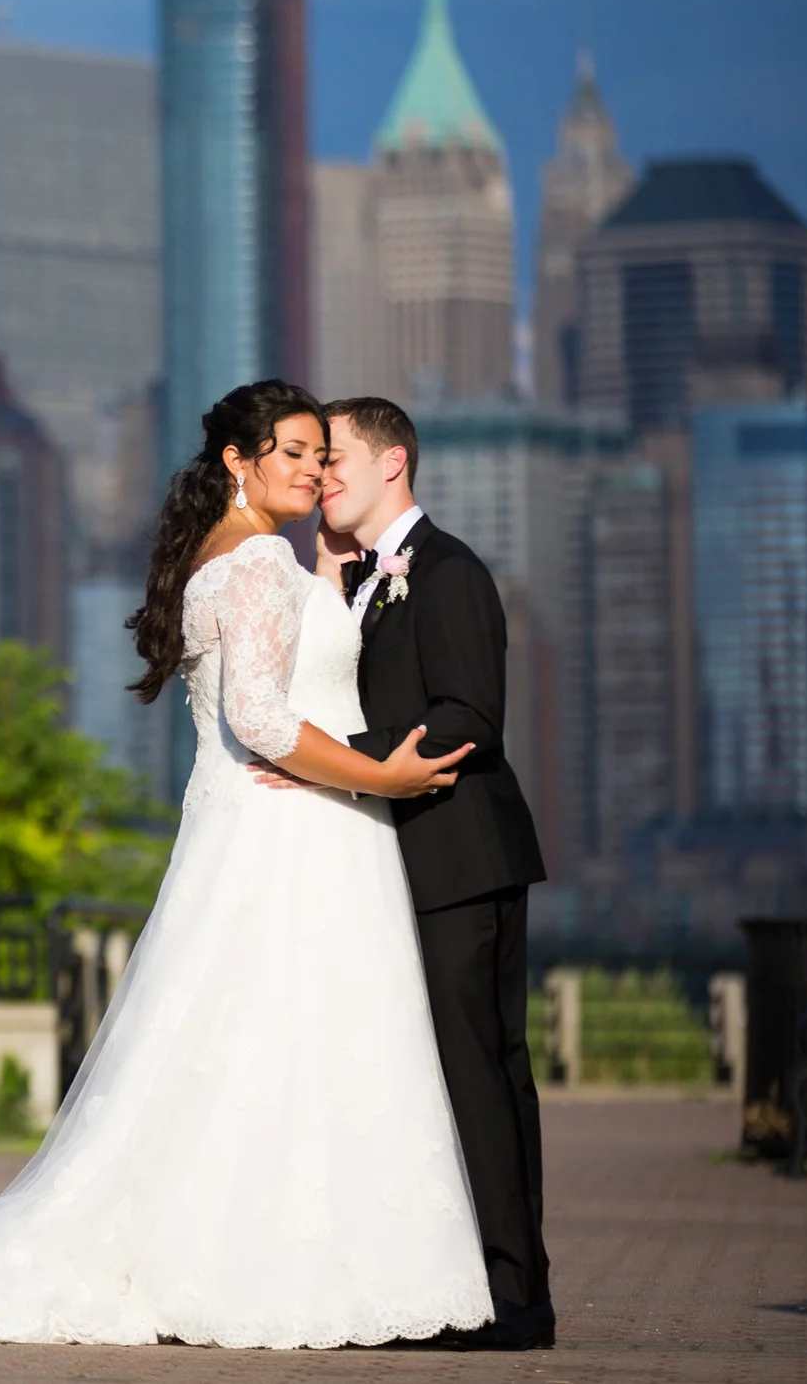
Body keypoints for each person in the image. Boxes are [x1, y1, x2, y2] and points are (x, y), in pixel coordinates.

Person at [0, 380, 489, 1348]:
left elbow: (292, 674)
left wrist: (325, 569)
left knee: (263, 1044)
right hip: (293, 833)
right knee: (288, 1038)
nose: (310, 468)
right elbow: (260, 714)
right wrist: (383, 773)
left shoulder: (254, 557)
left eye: (317, 453)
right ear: (238, 464)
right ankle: (269, 1265)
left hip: (264, 825)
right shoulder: (250, 563)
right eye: (289, 451)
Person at [297, 396, 554, 1351]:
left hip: (461, 854)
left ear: (393, 461)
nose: (323, 476)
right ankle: (460, 1283)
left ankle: (516, 1297)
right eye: (315, 462)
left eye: (337, 459)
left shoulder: (446, 572)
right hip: (395, 863)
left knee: (481, 1071)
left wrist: (342, 759)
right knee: (436, 1077)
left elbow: (469, 715)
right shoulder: (361, 577)